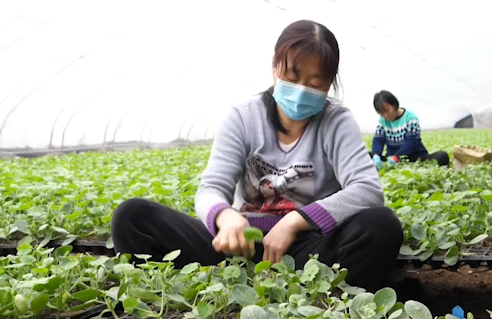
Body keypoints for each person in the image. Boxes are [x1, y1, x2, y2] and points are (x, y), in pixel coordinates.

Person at [110, 20, 403, 292]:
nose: (302, 90)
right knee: (132, 217)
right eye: (292, 75)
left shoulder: (336, 121)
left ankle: (326, 311)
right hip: (240, 246)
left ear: (329, 84)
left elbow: (367, 189)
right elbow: (211, 188)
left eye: (315, 83)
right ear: (275, 66)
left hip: (308, 249)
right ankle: (203, 301)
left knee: (381, 226)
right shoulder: (242, 118)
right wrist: (225, 218)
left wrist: (294, 222)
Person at [370, 91, 449, 169]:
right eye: (381, 113)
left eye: (387, 110)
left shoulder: (410, 117)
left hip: (415, 158)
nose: (385, 115)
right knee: (365, 156)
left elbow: (411, 142)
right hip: (391, 159)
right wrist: (376, 155)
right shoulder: (382, 121)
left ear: (394, 104)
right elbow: (378, 140)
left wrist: (397, 157)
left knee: (442, 156)